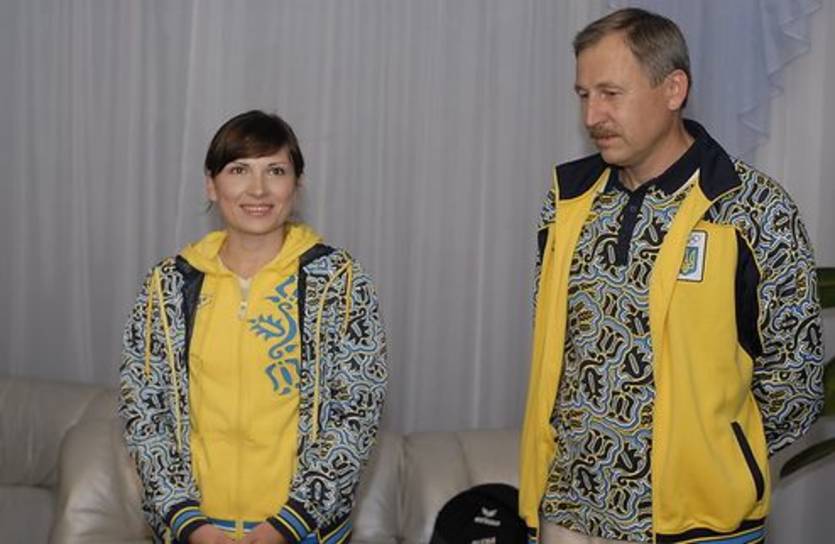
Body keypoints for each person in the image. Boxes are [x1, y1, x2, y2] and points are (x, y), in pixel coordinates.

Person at [518, 8, 824, 544]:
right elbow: (558, 354)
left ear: (673, 89)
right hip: (568, 513)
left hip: (698, 524)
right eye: (584, 95)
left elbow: (794, 384)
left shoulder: (752, 210)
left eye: (611, 93)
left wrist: (718, 455)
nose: (592, 115)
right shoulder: (566, 204)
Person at [119, 110, 387, 544]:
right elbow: (145, 410)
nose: (258, 189)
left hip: (305, 531)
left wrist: (287, 525)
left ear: (297, 185)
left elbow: (355, 411)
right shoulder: (168, 283)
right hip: (192, 530)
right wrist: (188, 522)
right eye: (239, 169)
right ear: (211, 184)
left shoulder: (338, 280)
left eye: (275, 171)